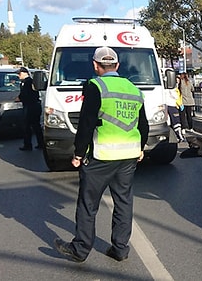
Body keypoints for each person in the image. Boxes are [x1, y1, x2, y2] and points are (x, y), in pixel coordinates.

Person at [53, 46, 149, 263]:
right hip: (129, 156)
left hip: (101, 155)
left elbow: (86, 124)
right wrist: (141, 148)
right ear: (117, 66)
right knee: (123, 203)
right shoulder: (134, 89)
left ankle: (80, 249)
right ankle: (120, 249)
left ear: (96, 66)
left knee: (88, 204)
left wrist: (78, 153)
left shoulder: (95, 86)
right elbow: (143, 124)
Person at [16, 67, 44, 151]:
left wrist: (19, 98)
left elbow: (26, 94)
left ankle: (28, 145)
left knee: (27, 126)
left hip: (31, 106)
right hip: (32, 105)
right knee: (35, 126)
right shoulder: (25, 82)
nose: (18, 76)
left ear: (25, 73)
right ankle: (40, 144)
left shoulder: (29, 82)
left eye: (19, 74)